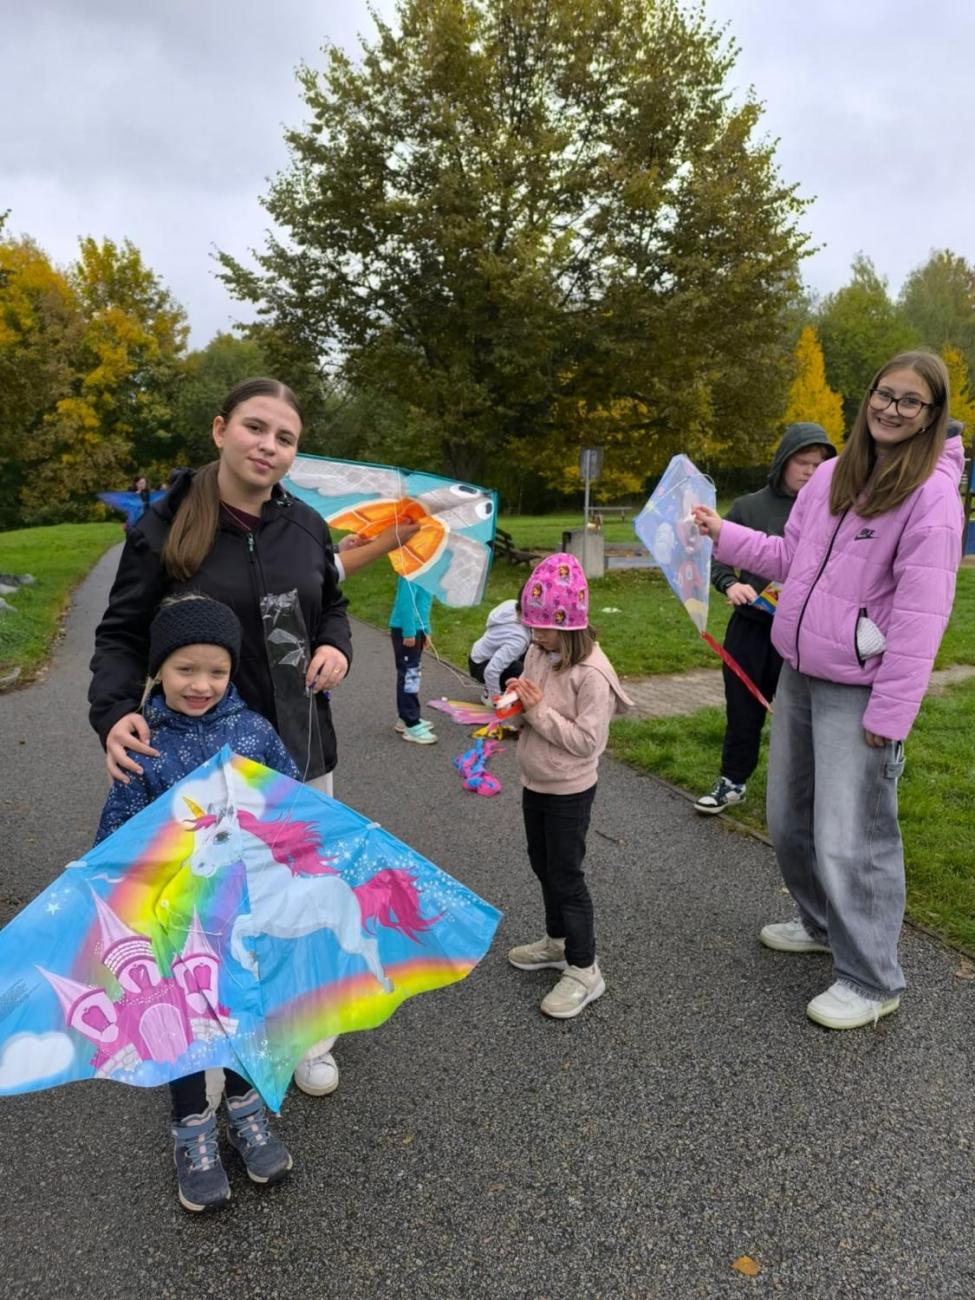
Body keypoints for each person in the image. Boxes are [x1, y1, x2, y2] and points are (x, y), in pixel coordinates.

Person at [88, 377, 353, 1100]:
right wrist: (114, 712)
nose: (268, 446)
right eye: (255, 428)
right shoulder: (164, 525)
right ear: (220, 429)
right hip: (193, 766)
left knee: (295, 900)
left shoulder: (305, 527)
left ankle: (307, 1035)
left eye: (285, 437)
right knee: (208, 913)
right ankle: (206, 1051)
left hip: (296, 749)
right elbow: (119, 636)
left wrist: (337, 646)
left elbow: (333, 604)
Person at [692, 351, 964, 1030]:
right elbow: (789, 558)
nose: (891, 409)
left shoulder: (928, 495)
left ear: (930, 416)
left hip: (860, 691)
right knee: (788, 821)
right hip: (799, 672)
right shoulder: (833, 479)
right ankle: (818, 925)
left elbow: (922, 614)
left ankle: (871, 978)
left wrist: (891, 712)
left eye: (910, 402)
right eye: (883, 393)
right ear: (865, 397)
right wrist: (718, 532)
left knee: (854, 835)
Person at [92, 595, 300, 1212]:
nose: (202, 684)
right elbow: (118, 837)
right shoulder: (144, 742)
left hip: (243, 919)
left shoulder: (254, 732)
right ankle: (191, 1129)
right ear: (160, 669)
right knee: (181, 1030)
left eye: (217, 671)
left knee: (241, 1018)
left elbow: (287, 805)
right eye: (186, 669)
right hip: (173, 925)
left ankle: (244, 1107)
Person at [505, 553, 632, 1019]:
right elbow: (532, 704)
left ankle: (584, 967)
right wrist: (513, 705)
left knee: (566, 873)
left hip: (570, 788)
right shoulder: (540, 650)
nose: (534, 637)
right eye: (530, 626)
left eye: (544, 628)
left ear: (572, 624)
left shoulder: (593, 674)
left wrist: (536, 712)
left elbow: (585, 742)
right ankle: (557, 942)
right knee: (542, 863)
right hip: (535, 777)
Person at [695, 425, 836, 814]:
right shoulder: (748, 506)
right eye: (802, 462)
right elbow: (718, 552)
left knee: (798, 718)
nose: (810, 471)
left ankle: (800, 798)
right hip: (751, 630)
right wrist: (728, 585)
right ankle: (732, 781)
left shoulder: (833, 510)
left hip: (803, 634)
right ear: (782, 462)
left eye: (818, 464)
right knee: (742, 712)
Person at [389, 574, 437, 743]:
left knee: (413, 674)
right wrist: (409, 631)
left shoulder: (425, 575)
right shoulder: (410, 574)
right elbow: (405, 604)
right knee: (409, 675)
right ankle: (411, 723)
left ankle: (406, 717)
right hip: (406, 631)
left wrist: (426, 630)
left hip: (417, 630)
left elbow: (424, 605)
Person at [468, 596, 530, 705]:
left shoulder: (511, 603)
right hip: (482, 666)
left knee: (531, 654)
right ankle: (493, 695)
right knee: (522, 670)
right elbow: (491, 671)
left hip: (476, 655)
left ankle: (495, 690)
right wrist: (496, 701)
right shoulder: (518, 640)